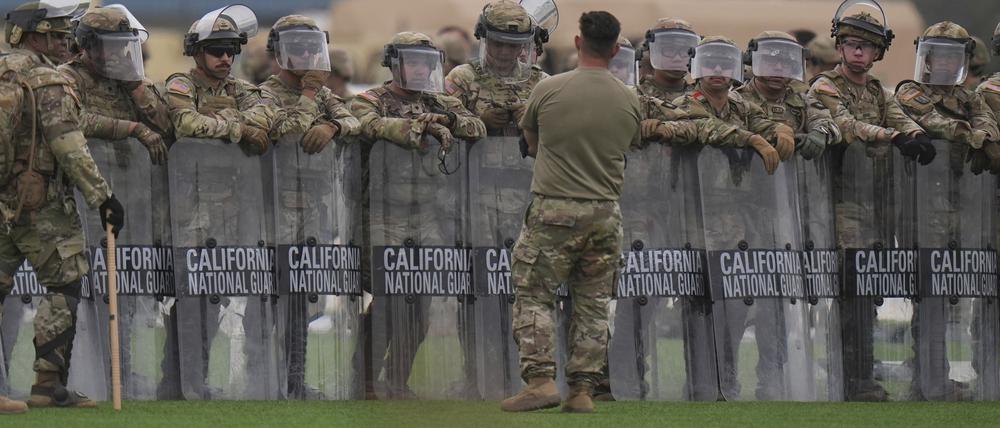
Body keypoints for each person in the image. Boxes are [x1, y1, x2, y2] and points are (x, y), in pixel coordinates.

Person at [500, 11, 639, 413]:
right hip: (605, 214)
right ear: (615, 49)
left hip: (553, 208)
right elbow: (630, 143)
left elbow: (532, 142)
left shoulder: (548, 90)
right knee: (594, 304)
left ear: (578, 43)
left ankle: (541, 381)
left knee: (534, 295)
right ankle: (582, 391)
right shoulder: (629, 98)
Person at [0, 0, 123, 411]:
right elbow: (68, 142)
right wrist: (102, 196)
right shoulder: (47, 79)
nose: (62, 42)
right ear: (33, 36)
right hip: (39, 204)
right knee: (66, 282)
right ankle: (48, 385)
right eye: (54, 35)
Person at [350, 31, 485, 399]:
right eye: (413, 61)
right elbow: (367, 125)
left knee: (421, 304)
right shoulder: (371, 99)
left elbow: (476, 127)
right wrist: (419, 126)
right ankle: (363, 379)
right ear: (394, 63)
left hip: (426, 215)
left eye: (427, 62)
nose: (421, 69)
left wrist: (448, 121)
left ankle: (397, 380)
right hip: (382, 213)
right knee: (388, 300)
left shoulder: (440, 100)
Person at [808, 2, 930, 402]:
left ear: (879, 53)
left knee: (868, 290)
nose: (859, 52)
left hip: (878, 203)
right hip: (841, 204)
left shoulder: (878, 90)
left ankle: (863, 375)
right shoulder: (825, 86)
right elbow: (845, 124)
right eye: (851, 44)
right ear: (839, 47)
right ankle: (854, 379)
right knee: (852, 291)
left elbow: (898, 116)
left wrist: (914, 135)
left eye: (867, 46)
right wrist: (894, 138)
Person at [895, 21, 999, 401]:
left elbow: (985, 119)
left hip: (962, 209)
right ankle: (927, 379)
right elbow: (932, 122)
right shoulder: (910, 90)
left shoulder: (969, 96)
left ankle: (969, 377)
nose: (942, 62)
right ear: (926, 56)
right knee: (929, 298)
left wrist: (985, 136)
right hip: (921, 211)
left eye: (952, 55)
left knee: (962, 292)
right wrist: (970, 136)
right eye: (936, 54)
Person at [260, 14, 361, 399]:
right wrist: (307, 103)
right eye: (295, 47)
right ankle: (262, 376)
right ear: (278, 52)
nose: (304, 54)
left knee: (302, 300)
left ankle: (295, 379)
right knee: (269, 299)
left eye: (310, 47)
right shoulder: (262, 93)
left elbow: (355, 122)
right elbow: (281, 130)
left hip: (311, 210)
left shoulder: (324, 96)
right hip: (272, 211)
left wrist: (331, 126)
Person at [59, 6, 172, 164]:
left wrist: (136, 88)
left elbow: (166, 129)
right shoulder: (66, 77)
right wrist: (133, 129)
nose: (117, 53)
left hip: (131, 176)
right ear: (88, 45)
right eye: (110, 46)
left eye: (122, 45)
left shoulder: (131, 78)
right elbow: (72, 120)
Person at [164, 6, 273, 154]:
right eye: (217, 51)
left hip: (235, 172)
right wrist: (239, 129)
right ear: (196, 53)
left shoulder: (240, 88)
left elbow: (264, 117)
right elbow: (187, 124)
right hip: (194, 170)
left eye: (230, 50)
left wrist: (225, 116)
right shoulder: (182, 85)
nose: (225, 58)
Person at [639, 18, 699, 102]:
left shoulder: (700, 97)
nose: (677, 58)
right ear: (652, 51)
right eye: (669, 50)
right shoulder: (635, 95)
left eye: (685, 51)